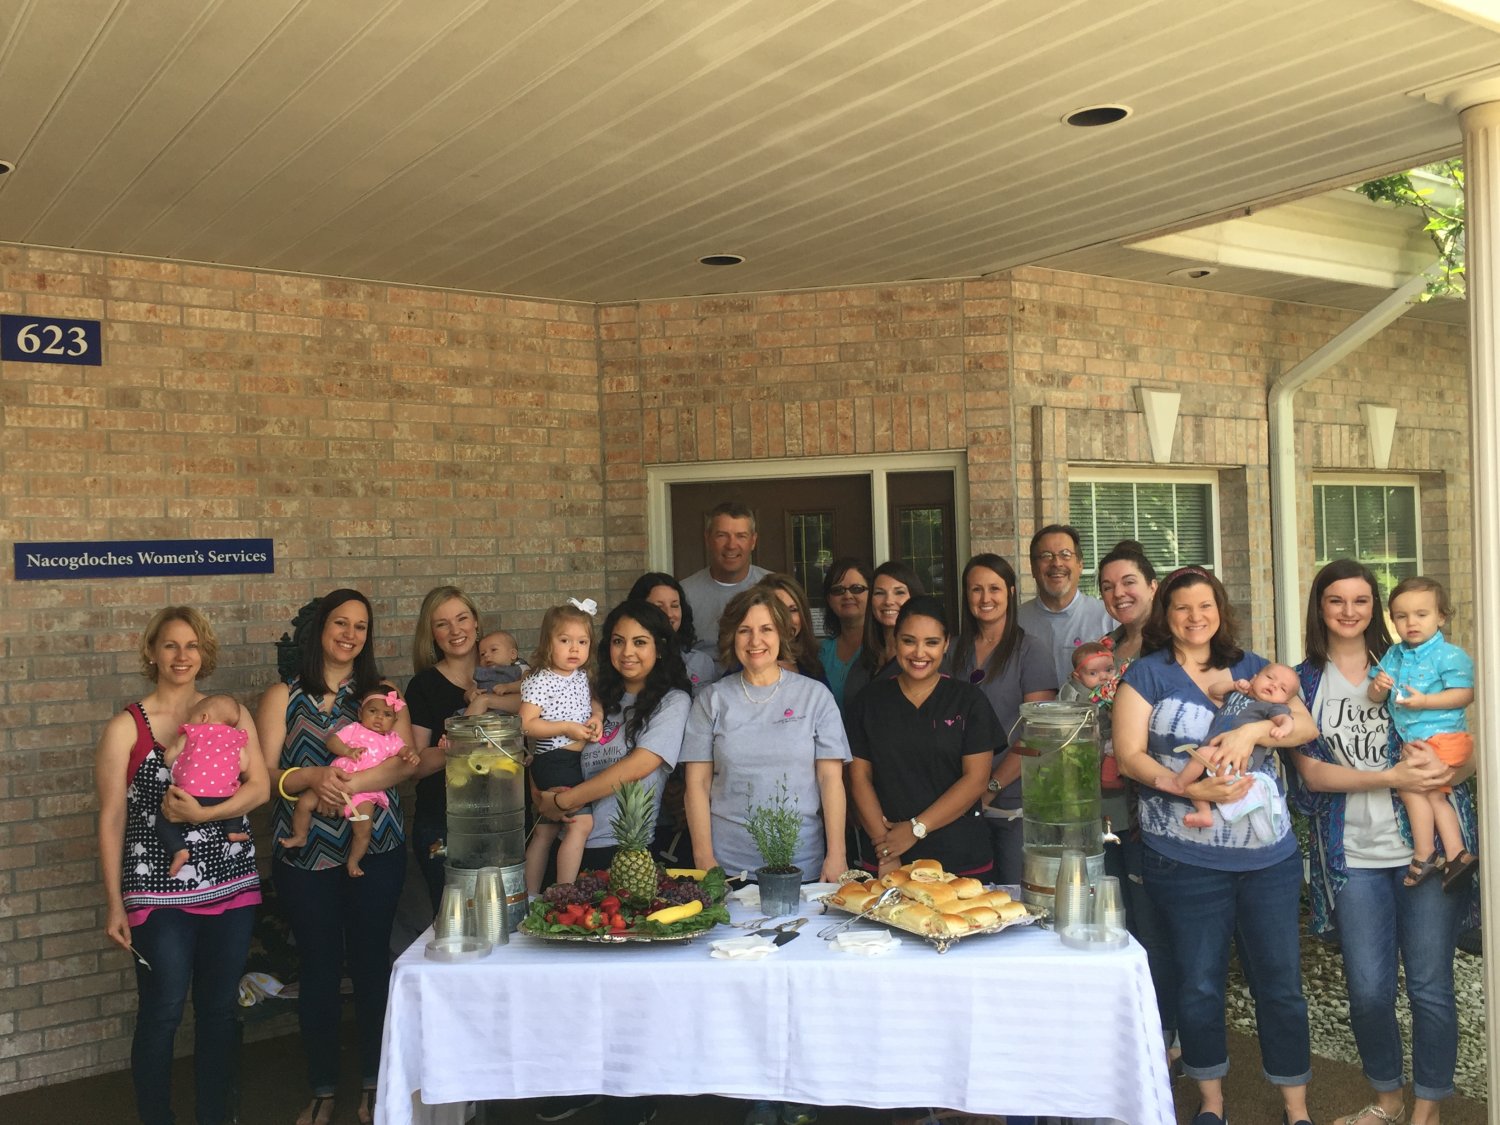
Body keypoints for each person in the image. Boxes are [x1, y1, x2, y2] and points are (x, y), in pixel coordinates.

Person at [1112, 566, 1317, 1125]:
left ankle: (1296, 1110)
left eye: (1205, 606)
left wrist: (1252, 731)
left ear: (1220, 610)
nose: (1195, 616)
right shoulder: (1145, 675)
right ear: (1166, 615)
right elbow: (1130, 755)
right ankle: (1212, 1105)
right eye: (1182, 607)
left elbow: (1304, 727)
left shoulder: (1255, 668)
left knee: (1281, 985)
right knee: (1199, 984)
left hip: (1267, 859)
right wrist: (1184, 785)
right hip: (1183, 858)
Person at [1289, 559, 1476, 1125]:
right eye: (1336, 600)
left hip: (1426, 853)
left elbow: (1462, 750)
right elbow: (1313, 776)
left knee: (1429, 986)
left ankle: (1428, 1107)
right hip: (1353, 857)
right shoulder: (1301, 681)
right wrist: (1392, 778)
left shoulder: (1409, 662)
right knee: (1368, 990)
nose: (1349, 611)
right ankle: (1387, 1099)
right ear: (1320, 607)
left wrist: (1442, 775)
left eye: (1362, 600)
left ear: (1379, 611)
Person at [96, 606, 266, 1125]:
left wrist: (207, 813)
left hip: (231, 883)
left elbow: (258, 787)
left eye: (192, 645)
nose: (182, 655)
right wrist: (114, 904)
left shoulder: (230, 715)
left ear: (204, 653)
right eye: (171, 645)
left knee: (218, 1011)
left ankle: (217, 1114)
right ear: (152, 652)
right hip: (155, 891)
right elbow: (110, 818)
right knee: (163, 1012)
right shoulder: (128, 726)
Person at [258, 589, 417, 1125]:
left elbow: (403, 767)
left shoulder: (383, 696)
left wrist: (343, 784)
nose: (350, 634)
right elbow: (263, 778)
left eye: (361, 626)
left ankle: (376, 1087)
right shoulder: (283, 695)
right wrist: (310, 779)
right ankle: (322, 1088)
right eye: (340, 623)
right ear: (321, 629)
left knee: (374, 965)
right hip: (304, 856)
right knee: (320, 969)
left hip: (376, 847)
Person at [532, 600, 693, 1125]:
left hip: (626, 854)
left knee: (626, 988)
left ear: (660, 647)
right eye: (619, 641)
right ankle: (578, 1082)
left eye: (640, 642)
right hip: (571, 845)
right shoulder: (593, 696)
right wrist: (546, 797)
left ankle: (633, 1091)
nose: (627, 651)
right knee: (573, 981)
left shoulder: (671, 701)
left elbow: (641, 763)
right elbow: (546, 746)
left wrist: (570, 798)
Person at [681, 587, 850, 882]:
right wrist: (704, 859)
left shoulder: (815, 696)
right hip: (729, 868)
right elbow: (697, 784)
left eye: (766, 629)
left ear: (782, 634)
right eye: (744, 630)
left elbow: (830, 780)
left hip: (803, 866)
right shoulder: (711, 700)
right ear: (731, 636)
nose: (755, 641)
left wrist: (837, 855)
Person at [845, 596, 1002, 878]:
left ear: (946, 644)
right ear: (895, 641)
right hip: (886, 860)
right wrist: (887, 849)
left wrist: (916, 828)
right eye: (909, 641)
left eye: (931, 642)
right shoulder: (868, 701)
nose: (919, 652)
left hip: (960, 861)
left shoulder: (968, 701)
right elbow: (858, 778)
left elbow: (976, 779)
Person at [946, 553, 1057, 883]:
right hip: (958, 801)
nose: (985, 598)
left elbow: (1038, 732)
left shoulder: (1031, 651)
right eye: (975, 589)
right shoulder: (951, 650)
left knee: (1014, 898)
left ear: (1010, 592)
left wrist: (991, 786)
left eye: (994, 588)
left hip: (1013, 803)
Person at [1367, 576, 1477, 890]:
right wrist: (1377, 688)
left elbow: (1465, 693)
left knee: (1419, 789)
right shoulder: (1394, 655)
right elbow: (1375, 697)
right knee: (1419, 791)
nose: (1411, 622)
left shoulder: (1449, 655)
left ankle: (1433, 851)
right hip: (1419, 741)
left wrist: (1425, 701)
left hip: (1444, 739)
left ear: (1441, 617)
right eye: (1401, 616)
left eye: (1421, 614)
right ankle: (1452, 854)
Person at [405, 585, 505, 913]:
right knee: (455, 923)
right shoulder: (423, 687)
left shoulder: (509, 673)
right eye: (442, 624)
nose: (455, 630)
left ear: (477, 622)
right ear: (431, 634)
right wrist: (459, 743)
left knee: (512, 921)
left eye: (462, 618)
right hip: (443, 825)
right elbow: (416, 765)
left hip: (508, 819)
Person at [279, 687, 419, 878]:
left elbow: (404, 753)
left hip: (366, 791)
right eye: (373, 711)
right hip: (333, 781)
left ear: (394, 721)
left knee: (363, 827)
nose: (379, 718)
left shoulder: (392, 740)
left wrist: (410, 755)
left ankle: (354, 860)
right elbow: (332, 741)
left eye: (387, 714)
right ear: (361, 712)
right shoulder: (354, 729)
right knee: (304, 803)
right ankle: (300, 835)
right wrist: (346, 751)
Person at [520, 600, 604, 894]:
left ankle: (530, 896)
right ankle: (564, 893)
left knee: (546, 830)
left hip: (570, 762)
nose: (574, 649)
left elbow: (592, 702)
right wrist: (566, 728)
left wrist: (597, 716)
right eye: (564, 640)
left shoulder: (580, 676)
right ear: (548, 643)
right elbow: (526, 724)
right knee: (581, 825)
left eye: (582, 642)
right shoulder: (541, 679)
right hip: (554, 760)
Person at [1156, 663, 1298, 833]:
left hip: (1242, 759)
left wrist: (1284, 728)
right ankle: (1204, 813)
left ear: (1285, 701)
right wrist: (1234, 685)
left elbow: (1286, 719)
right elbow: (1213, 690)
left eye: (1282, 688)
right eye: (1269, 678)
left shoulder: (1271, 707)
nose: (1274, 685)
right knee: (1197, 778)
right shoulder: (1237, 695)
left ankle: (1178, 784)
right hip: (1216, 752)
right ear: (1254, 678)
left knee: (1201, 756)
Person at [154, 692, 251, 877]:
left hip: (190, 793)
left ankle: (179, 850)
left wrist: (173, 756)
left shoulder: (193, 731)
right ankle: (233, 830)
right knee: (236, 800)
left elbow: (169, 758)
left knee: (163, 818)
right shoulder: (237, 738)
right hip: (224, 795)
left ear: (204, 717)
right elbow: (245, 765)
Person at [1016, 524, 1116, 686]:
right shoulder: (1015, 621)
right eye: (1046, 555)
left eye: (1065, 554)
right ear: (1033, 568)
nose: (1056, 563)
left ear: (1080, 565)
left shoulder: (1108, 616)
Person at [678, 501, 769, 657]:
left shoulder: (772, 587)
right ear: (707, 539)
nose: (731, 545)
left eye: (741, 536)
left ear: (753, 541)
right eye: (722, 536)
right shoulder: (683, 594)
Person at [842, 560, 924, 704]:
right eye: (880, 593)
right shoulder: (864, 659)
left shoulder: (922, 659)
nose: (888, 601)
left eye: (899, 592)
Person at [629, 571, 717, 691]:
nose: (669, 614)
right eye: (659, 607)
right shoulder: (628, 660)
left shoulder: (700, 663)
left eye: (675, 606)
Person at [816, 558, 871, 711]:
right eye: (838, 590)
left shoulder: (882, 648)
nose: (847, 595)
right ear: (828, 599)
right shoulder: (819, 653)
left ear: (872, 594)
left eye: (857, 588)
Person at [757, 572, 826, 682]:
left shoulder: (812, 667)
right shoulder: (743, 669)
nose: (786, 619)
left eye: (793, 610)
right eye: (777, 610)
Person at [464, 629, 527, 715]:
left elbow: (528, 685)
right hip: (483, 714)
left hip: (508, 713)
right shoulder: (482, 672)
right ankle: (465, 726)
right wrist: (470, 694)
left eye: (493, 650)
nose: (486, 655)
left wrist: (509, 687)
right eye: (482, 654)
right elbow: (471, 689)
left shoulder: (521, 668)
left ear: (512, 654)